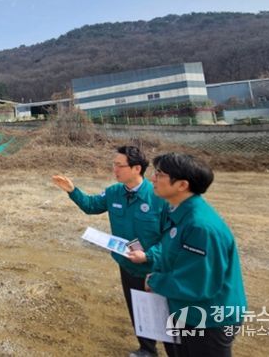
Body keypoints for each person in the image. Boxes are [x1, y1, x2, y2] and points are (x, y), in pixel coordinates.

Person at [52, 146, 169, 357]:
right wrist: (72, 190)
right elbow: (91, 206)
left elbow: (170, 237)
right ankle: (147, 349)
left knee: (164, 314)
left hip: (155, 269)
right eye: (114, 164)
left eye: (119, 165)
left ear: (136, 168)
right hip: (127, 263)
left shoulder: (158, 197)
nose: (114, 169)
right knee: (138, 308)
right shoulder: (114, 192)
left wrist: (149, 256)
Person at [126, 153, 247, 357]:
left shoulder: (200, 227)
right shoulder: (178, 212)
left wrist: (156, 281)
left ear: (182, 185)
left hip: (207, 319)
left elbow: (198, 284)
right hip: (185, 309)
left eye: (160, 174)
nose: (152, 178)